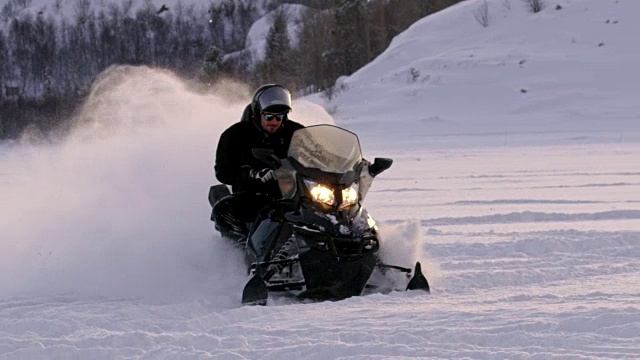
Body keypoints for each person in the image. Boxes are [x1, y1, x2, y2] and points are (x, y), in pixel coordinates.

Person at [211, 84, 305, 242]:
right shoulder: (235, 135)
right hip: (254, 196)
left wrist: (346, 167)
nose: (274, 122)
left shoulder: (297, 133)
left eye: (279, 117)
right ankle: (241, 249)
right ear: (257, 113)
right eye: (269, 116)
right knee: (223, 209)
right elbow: (223, 171)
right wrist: (250, 174)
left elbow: (318, 155)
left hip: (295, 194)